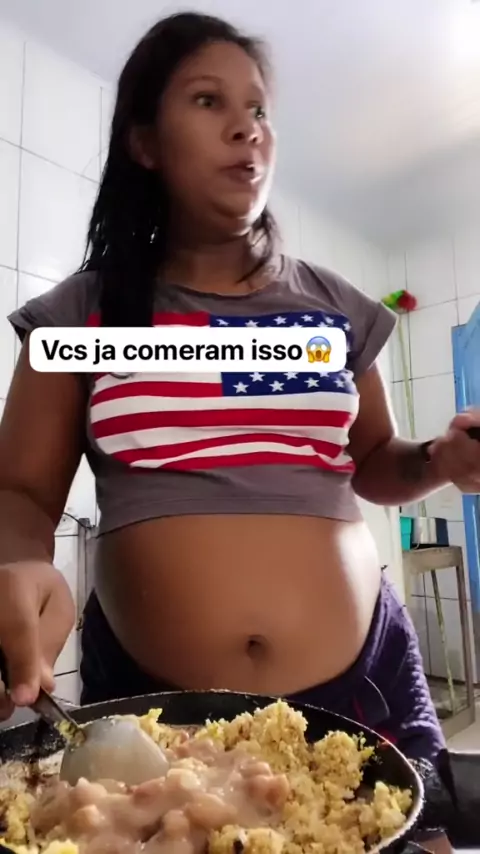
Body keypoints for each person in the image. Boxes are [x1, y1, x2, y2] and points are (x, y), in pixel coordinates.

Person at [0, 11, 479, 764]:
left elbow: (376, 460)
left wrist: (440, 460)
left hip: (365, 687)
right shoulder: (83, 315)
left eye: (258, 108)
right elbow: (23, 494)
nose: (246, 127)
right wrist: (21, 561)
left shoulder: (336, 309)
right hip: (157, 714)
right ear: (145, 142)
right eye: (207, 100)